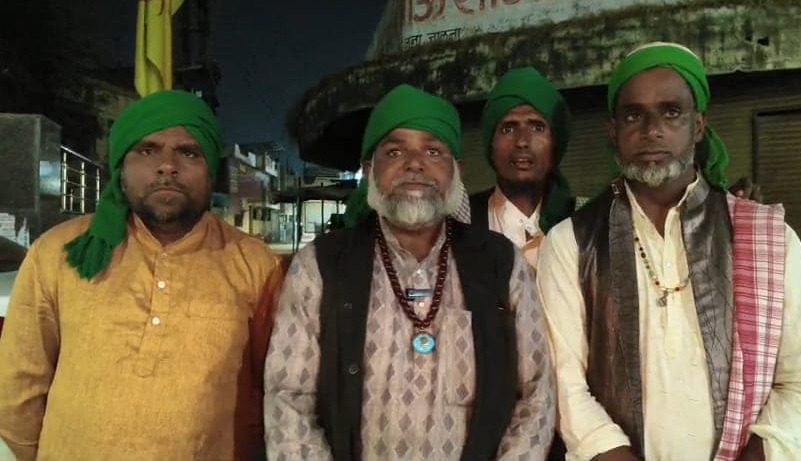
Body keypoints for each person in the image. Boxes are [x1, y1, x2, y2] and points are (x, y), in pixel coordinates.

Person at [537, 42, 801, 461]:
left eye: (671, 112)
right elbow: (563, 383)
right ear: (613, 131)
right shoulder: (571, 242)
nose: (652, 129)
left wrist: (756, 453)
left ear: (698, 125)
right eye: (633, 115)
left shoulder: (768, 237)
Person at [264, 84, 555, 461]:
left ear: (456, 172)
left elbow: (536, 394)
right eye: (395, 151)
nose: (414, 164)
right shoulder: (319, 265)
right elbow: (288, 399)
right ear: (369, 171)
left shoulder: (501, 262)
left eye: (433, 151)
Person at [0, 90, 284, 460]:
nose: (167, 165)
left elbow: (277, 393)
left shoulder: (256, 265)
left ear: (210, 170)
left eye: (188, 152)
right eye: (147, 150)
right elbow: (18, 382)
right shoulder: (59, 252)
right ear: (122, 167)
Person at [470, 67, 576, 269]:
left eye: (537, 127)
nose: (522, 142)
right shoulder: (461, 223)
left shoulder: (584, 219)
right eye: (508, 128)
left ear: (555, 143)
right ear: (490, 145)